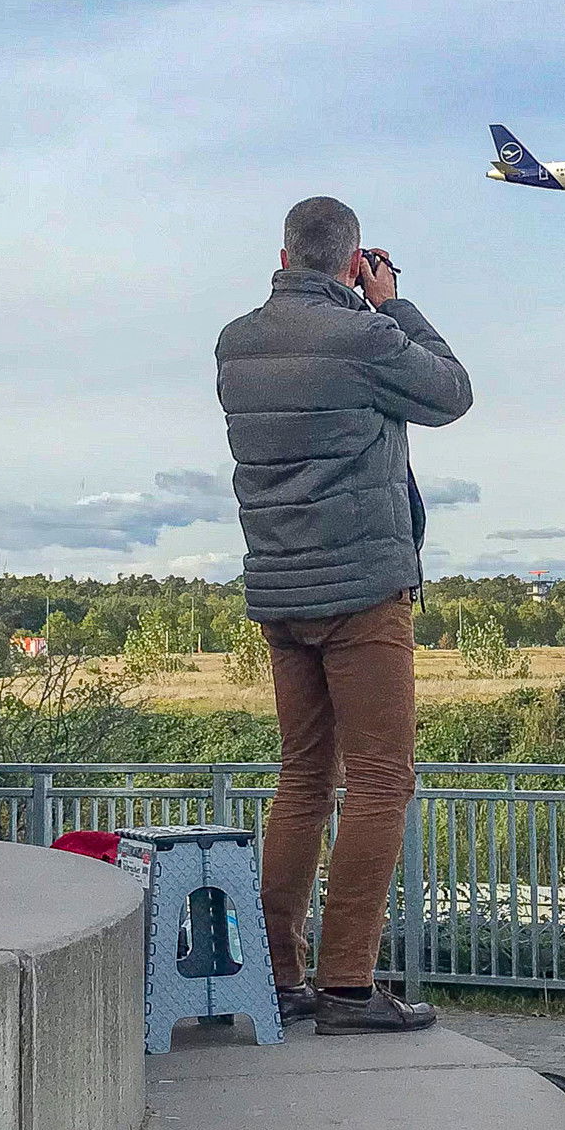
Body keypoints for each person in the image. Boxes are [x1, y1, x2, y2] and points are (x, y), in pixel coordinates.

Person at [214, 196, 471, 1034]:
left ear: (282, 255)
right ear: (353, 259)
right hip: (362, 593)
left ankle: (280, 974)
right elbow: (450, 391)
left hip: (280, 596)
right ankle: (351, 985)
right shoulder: (366, 336)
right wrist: (390, 300)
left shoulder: (236, 343)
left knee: (302, 779)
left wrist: (322, 292)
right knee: (381, 780)